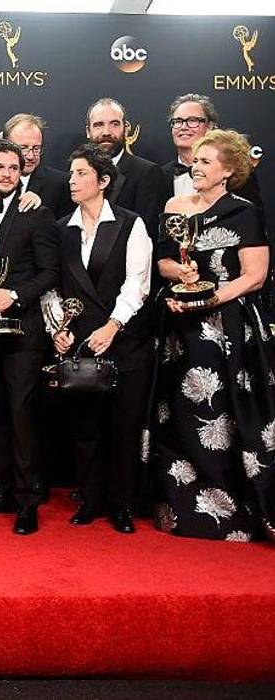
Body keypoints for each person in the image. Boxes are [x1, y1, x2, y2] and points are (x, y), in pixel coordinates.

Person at [151, 129, 275, 542]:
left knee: (228, 414)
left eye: (206, 162)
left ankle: (242, 510)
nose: (196, 167)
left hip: (229, 329)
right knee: (180, 417)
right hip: (180, 329)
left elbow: (255, 277)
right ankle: (190, 510)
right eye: (195, 161)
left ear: (228, 171)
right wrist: (179, 278)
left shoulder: (244, 211)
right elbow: (165, 261)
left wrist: (207, 299)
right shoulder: (175, 206)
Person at [47, 143, 153, 534]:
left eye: (81, 174)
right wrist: (56, 327)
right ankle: (89, 500)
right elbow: (51, 286)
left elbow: (137, 283)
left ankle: (121, 505)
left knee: (124, 426)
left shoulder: (130, 223)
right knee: (85, 428)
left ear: (103, 181)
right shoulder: (61, 229)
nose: (72, 181)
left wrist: (113, 326)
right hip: (81, 346)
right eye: (71, 174)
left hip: (123, 342)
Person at [0, 140, 59, 535]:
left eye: (13, 167)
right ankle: (1, 488)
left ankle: (28, 500)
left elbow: (50, 272)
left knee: (22, 414)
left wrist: (14, 295)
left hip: (23, 330)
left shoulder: (36, 213)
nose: (6, 173)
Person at [162, 94, 265, 227]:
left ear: (210, 126)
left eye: (192, 120)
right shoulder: (159, 175)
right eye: (177, 121)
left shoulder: (234, 171)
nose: (183, 127)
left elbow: (255, 224)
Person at [85, 97, 171, 235]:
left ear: (126, 129)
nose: (106, 132)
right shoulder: (77, 174)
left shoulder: (147, 173)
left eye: (114, 124)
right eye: (98, 125)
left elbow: (147, 231)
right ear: (88, 131)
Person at [3, 114, 72, 220]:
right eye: (23, 148)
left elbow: (63, 231)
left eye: (36, 149)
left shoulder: (59, 184)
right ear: (5, 147)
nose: (31, 156)